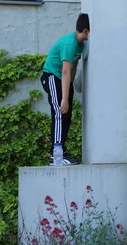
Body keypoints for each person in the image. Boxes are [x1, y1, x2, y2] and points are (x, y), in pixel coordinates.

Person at [40, 13, 89, 165]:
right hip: (52, 77)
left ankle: (61, 152)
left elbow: (73, 68)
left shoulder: (80, 45)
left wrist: (70, 89)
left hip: (63, 79)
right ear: (86, 31)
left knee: (67, 114)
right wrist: (64, 99)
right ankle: (56, 154)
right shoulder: (70, 44)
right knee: (60, 112)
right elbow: (65, 71)